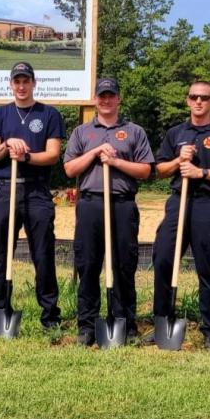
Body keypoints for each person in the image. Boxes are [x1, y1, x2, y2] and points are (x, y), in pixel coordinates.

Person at [148, 81, 210, 350]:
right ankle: (162, 322)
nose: (199, 101)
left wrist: (202, 173)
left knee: (206, 265)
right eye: (194, 97)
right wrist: (179, 160)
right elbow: (159, 170)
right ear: (188, 100)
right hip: (178, 201)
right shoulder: (176, 133)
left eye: (204, 97)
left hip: (207, 203)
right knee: (163, 259)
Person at [63, 77, 153, 346]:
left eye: (110, 95)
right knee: (88, 264)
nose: (106, 100)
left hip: (122, 204)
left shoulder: (134, 131)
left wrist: (115, 161)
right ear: (95, 99)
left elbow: (145, 170)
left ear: (118, 98)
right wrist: (94, 153)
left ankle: (124, 322)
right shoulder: (82, 132)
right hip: (90, 203)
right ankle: (87, 325)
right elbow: (69, 169)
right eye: (101, 96)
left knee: (124, 265)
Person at [0, 62, 65, 330]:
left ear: (33, 83)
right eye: (17, 81)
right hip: (5, 188)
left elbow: (52, 155)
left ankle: (50, 315)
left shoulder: (49, 114)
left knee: (42, 253)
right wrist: (7, 145)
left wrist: (26, 156)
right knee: (0, 252)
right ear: (11, 84)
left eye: (25, 81)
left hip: (36, 190)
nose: (21, 86)